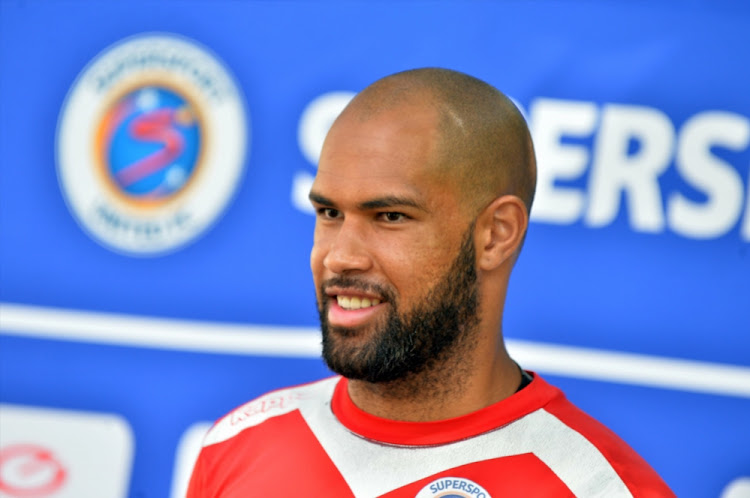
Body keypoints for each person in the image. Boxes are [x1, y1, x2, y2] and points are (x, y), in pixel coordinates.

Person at [186, 68, 675, 497]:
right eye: (329, 212)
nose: (340, 256)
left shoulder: (599, 488)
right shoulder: (239, 442)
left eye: (390, 216)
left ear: (495, 235)